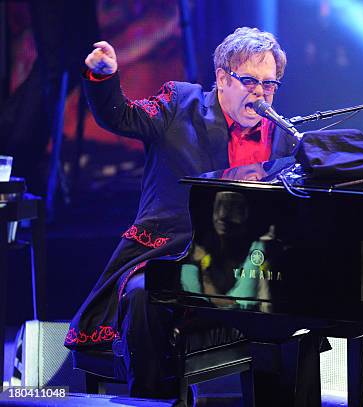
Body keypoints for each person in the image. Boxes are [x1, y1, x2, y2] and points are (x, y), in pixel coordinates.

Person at [64, 27, 300, 399]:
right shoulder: (181, 104)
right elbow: (122, 117)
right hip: (176, 255)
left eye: (269, 85)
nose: (260, 93)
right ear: (222, 78)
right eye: (250, 81)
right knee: (143, 295)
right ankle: (154, 400)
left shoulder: (281, 135)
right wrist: (104, 76)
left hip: (244, 268)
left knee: (299, 297)